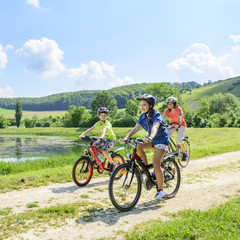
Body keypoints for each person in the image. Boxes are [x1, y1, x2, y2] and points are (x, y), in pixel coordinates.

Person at [120, 94, 170, 199]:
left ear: (150, 105)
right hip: (152, 140)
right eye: (141, 105)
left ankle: (160, 190)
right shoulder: (142, 116)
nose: (142, 107)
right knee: (139, 145)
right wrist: (126, 137)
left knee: (156, 163)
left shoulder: (157, 115)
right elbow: (136, 128)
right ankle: (145, 170)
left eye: (144, 105)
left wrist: (151, 136)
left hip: (161, 140)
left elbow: (155, 126)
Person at [78, 107, 117, 171]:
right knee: (93, 146)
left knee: (104, 151)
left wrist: (101, 136)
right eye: (102, 115)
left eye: (105, 115)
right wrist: (82, 135)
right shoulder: (98, 123)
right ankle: (99, 160)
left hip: (111, 139)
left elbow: (104, 130)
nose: (103, 117)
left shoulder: (107, 123)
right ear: (98, 116)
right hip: (104, 139)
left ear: (106, 116)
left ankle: (113, 164)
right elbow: (90, 129)